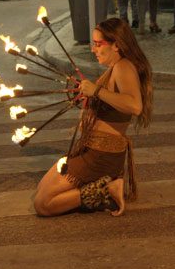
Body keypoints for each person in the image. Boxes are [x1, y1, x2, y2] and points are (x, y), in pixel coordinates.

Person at [33, 18, 152, 217]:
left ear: (117, 45)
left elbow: (134, 106)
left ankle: (105, 190)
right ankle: (102, 187)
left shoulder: (123, 66)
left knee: (43, 204)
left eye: (98, 44)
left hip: (101, 155)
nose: (93, 49)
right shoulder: (115, 67)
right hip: (90, 148)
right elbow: (112, 101)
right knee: (42, 189)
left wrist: (96, 91)